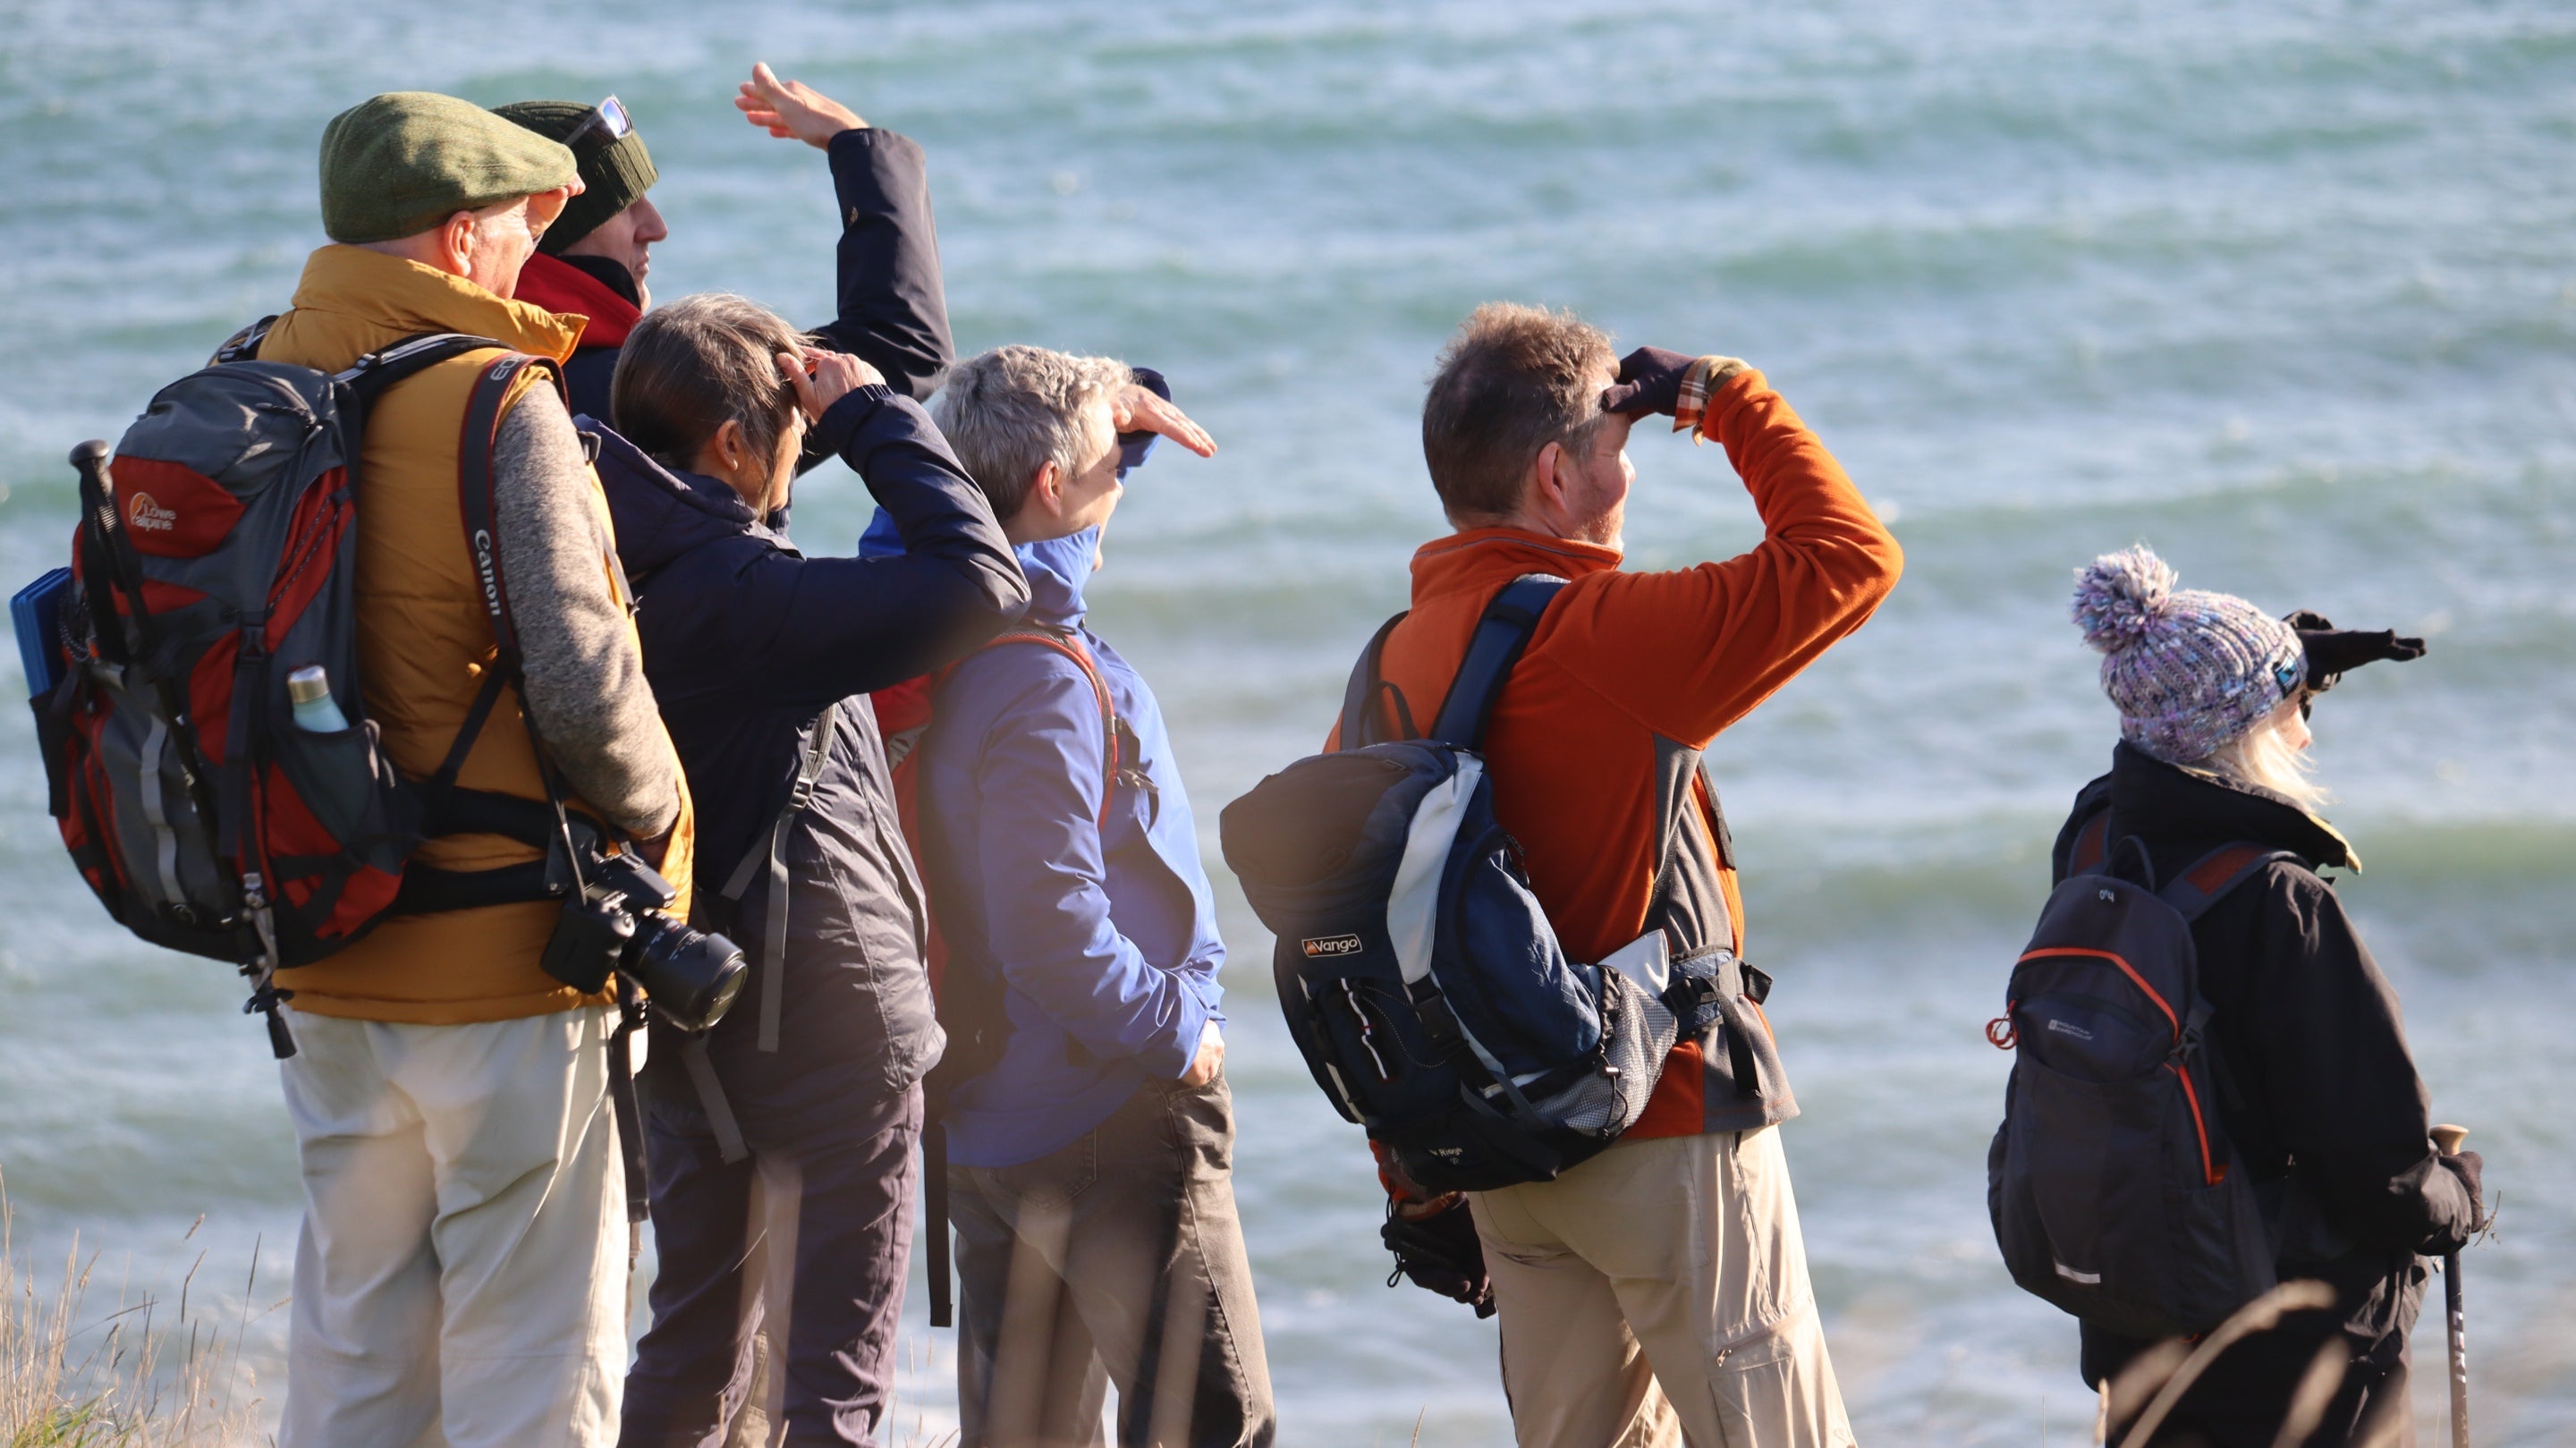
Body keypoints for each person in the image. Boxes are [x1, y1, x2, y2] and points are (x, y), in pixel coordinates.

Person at [1342, 304, 1902, 1447]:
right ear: (1556, 475)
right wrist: (1720, 394)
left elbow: (1366, 929)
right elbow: (1850, 556)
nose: (1628, 476)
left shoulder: (1388, 661)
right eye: (1618, 448)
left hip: (1505, 1151)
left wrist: (1414, 1166)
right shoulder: (1594, 634)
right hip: (1662, 1130)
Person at [254, 92, 690, 1447]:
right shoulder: (496, 399)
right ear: (458, 236)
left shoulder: (247, 382)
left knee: (357, 1353)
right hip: (503, 973)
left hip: (318, 951)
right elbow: (581, 680)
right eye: (517, 223)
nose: (526, 251)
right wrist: (666, 821)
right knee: (537, 1367)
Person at [593, 293, 1029, 1445]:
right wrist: (882, 417)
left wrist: (836, 399)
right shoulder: (744, 598)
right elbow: (983, 580)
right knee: (832, 1379)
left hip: (695, 1017)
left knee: (690, 1341)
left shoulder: (617, 554)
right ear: (732, 446)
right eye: (785, 424)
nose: (803, 441)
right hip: (831, 1027)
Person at [877, 344, 1271, 1447]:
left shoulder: (933, 614)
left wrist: (1120, 422)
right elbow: (1051, 926)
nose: (1121, 474)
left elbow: (1022, 490)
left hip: (993, 1113)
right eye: (1110, 458)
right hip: (1106, 1105)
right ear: (1051, 484)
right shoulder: (1044, 680)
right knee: (1211, 1423)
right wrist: (1178, 1031)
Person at [2057, 546, 2483, 1447]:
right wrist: (2456, 1198)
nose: (2306, 733)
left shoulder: (2095, 841)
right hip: (2288, 1343)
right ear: (2242, 729)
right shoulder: (2281, 903)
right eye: (2292, 711)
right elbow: (2378, 1168)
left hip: (2144, 1301)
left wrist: (2286, 662)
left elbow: (2176, 734)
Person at [501, 62, 952, 423]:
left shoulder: (465, 367)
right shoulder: (655, 392)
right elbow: (903, 346)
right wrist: (858, 147)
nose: (656, 227)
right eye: (623, 206)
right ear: (548, 229)